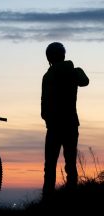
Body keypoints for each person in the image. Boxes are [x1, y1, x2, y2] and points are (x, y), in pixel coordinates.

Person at [41, 42, 89, 199]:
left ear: (49, 57)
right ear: (63, 54)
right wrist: (76, 71)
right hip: (70, 123)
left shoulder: (48, 76)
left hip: (54, 126)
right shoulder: (73, 72)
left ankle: (48, 198)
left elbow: (44, 102)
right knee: (70, 162)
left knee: (50, 165)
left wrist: (47, 118)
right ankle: (71, 194)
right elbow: (85, 81)